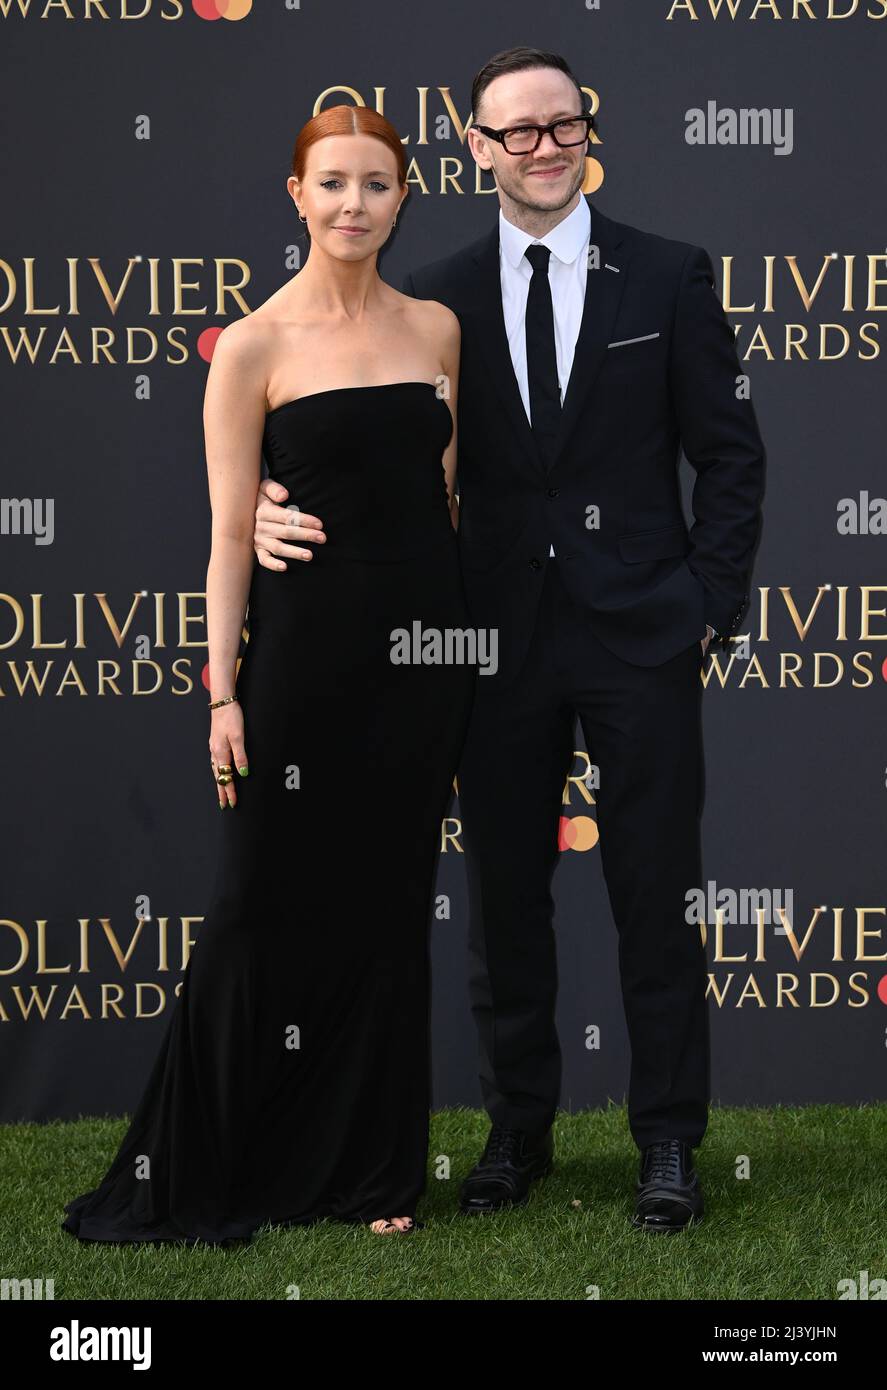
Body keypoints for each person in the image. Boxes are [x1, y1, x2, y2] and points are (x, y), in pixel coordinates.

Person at [251, 48, 766, 1234]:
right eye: (513, 132)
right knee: (503, 905)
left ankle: (669, 1142)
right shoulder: (431, 302)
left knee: (652, 891)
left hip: (639, 634)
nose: (541, 145)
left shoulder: (670, 277)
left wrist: (703, 605)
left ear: (588, 130)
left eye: (560, 123)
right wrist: (271, 503)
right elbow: (366, 446)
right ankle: (516, 1132)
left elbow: (730, 457)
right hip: (485, 645)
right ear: (474, 149)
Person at [61, 104, 476, 1245]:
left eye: (376, 184)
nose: (354, 204)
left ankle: (370, 1169)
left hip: (421, 670)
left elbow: (440, 499)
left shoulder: (437, 328)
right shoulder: (251, 344)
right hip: (300, 668)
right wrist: (221, 692)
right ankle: (217, 1162)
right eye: (331, 182)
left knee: (389, 913)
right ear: (294, 195)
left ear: (403, 198)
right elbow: (226, 532)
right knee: (256, 911)